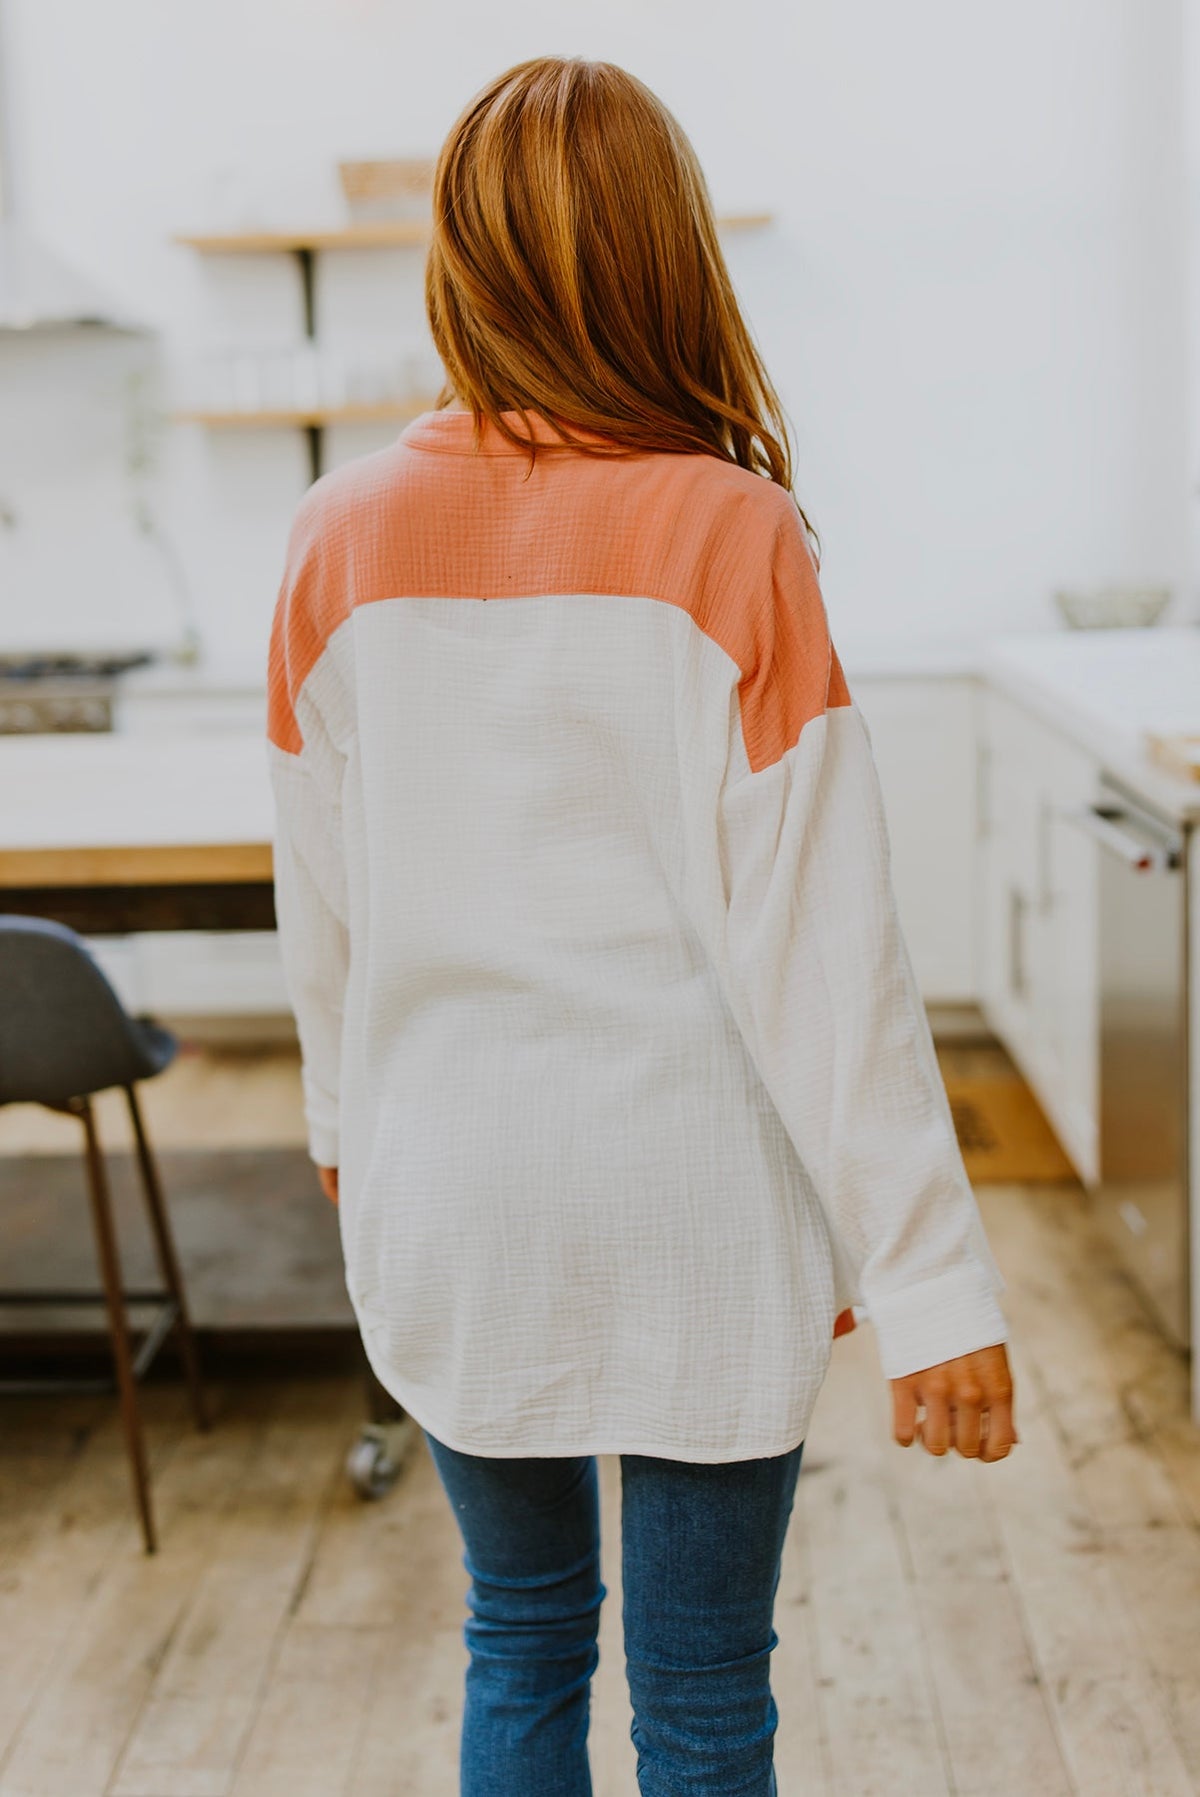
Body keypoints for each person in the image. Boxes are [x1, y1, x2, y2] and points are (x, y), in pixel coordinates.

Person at [265, 54, 1017, 1797]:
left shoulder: (335, 536)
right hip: (693, 1194)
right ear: (669, 256)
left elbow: (324, 904)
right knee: (700, 1697)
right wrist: (930, 1285)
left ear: (461, 264)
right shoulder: (736, 536)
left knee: (519, 1636)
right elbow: (832, 960)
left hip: (450, 1181)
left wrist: (333, 1128)